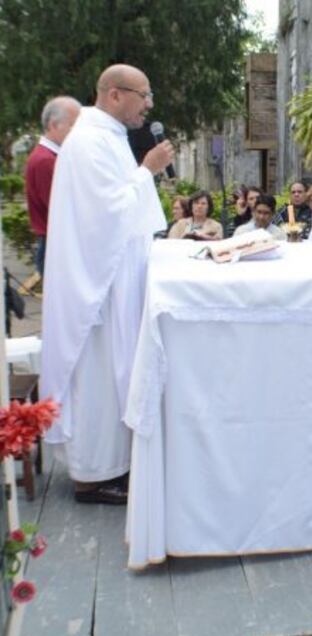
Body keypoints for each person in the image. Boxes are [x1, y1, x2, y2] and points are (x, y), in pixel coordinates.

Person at [41, 63, 174, 505]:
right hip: (97, 287)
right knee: (98, 374)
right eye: (144, 94)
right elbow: (106, 213)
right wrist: (148, 170)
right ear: (115, 94)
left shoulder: (107, 136)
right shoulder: (90, 141)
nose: (149, 104)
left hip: (115, 276)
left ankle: (112, 466)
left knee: (114, 371)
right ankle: (93, 475)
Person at [24, 96, 81, 279]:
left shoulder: (52, 157)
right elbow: (60, 207)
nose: (78, 132)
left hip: (56, 244)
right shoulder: (46, 160)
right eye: (73, 125)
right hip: (56, 246)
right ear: (54, 125)